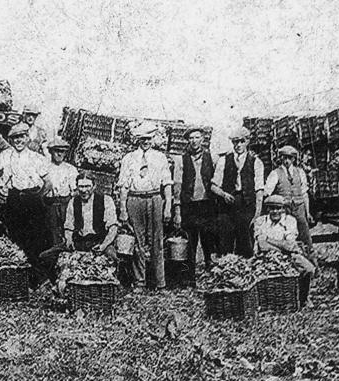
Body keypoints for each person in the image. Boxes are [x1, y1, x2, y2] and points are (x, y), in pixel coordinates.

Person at [116, 121, 174, 290]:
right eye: (142, 138)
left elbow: (167, 183)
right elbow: (124, 185)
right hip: (135, 200)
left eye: (149, 138)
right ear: (137, 139)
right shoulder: (129, 158)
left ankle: (160, 282)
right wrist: (123, 210)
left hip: (155, 198)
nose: (146, 141)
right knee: (138, 242)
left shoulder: (160, 157)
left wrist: (168, 206)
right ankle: (139, 281)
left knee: (157, 241)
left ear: (153, 138)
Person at [39, 175, 121, 290]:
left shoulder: (106, 200)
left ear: (94, 186)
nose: (83, 190)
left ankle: (111, 287)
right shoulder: (73, 201)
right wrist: (69, 240)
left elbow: (113, 228)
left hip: (98, 241)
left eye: (87, 186)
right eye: (80, 186)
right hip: (79, 241)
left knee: (112, 257)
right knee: (46, 256)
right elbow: (68, 227)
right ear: (77, 187)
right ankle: (56, 283)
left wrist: (103, 245)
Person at [0, 123, 52, 265]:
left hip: (33, 199)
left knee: (36, 237)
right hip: (14, 199)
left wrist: (38, 197)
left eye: (21, 137)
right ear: (10, 140)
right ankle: (19, 274)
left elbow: (48, 183)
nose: (18, 141)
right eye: (15, 138)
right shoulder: (5, 156)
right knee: (16, 237)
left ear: (27, 138)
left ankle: (35, 276)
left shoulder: (36, 158)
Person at [174, 128, 229, 265]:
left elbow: (219, 178)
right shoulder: (181, 160)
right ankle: (189, 277)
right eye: (191, 138)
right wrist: (177, 209)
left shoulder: (212, 158)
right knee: (190, 240)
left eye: (197, 138)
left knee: (208, 239)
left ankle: (210, 270)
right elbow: (177, 185)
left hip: (207, 205)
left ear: (202, 140)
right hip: (189, 205)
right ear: (188, 141)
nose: (194, 141)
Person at [253, 194, 316, 302]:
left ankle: (302, 298)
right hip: (263, 257)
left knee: (308, 269)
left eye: (278, 208)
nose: (275, 212)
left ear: (283, 209)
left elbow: (290, 245)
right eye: (272, 208)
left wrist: (268, 239)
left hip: (288, 256)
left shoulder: (290, 220)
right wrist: (282, 246)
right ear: (268, 209)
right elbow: (262, 246)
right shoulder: (260, 221)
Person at [215, 128, 266, 257]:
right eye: (235, 142)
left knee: (246, 240)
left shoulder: (256, 162)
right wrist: (223, 194)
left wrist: (257, 213)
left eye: (241, 141)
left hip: (247, 205)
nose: (238, 145)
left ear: (247, 142)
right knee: (226, 239)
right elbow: (213, 186)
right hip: (228, 205)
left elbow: (259, 190)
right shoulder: (223, 160)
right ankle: (226, 269)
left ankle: (245, 271)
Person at [263, 146, 314, 262]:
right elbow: (267, 193)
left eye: (290, 158)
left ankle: (313, 266)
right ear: (281, 158)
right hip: (284, 210)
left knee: (305, 237)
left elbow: (305, 193)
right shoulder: (275, 173)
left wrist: (308, 212)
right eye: (284, 158)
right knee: (286, 238)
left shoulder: (300, 172)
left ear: (294, 159)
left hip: (299, 208)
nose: (287, 161)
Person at [42, 139, 79, 249]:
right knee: (51, 230)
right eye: (56, 151)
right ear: (50, 152)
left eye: (62, 151)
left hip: (65, 203)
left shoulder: (70, 169)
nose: (59, 154)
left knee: (67, 227)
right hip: (49, 203)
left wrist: (72, 197)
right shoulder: (45, 167)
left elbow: (75, 190)